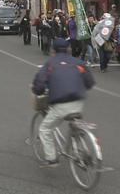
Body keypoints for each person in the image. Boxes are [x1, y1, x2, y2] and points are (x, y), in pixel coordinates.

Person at [31, 38, 96, 168]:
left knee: (44, 129)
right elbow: (89, 82)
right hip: (78, 101)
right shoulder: (78, 62)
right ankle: (78, 147)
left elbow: (39, 84)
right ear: (68, 49)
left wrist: (37, 91)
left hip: (61, 104)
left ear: (53, 50)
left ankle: (52, 159)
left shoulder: (50, 64)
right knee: (73, 120)